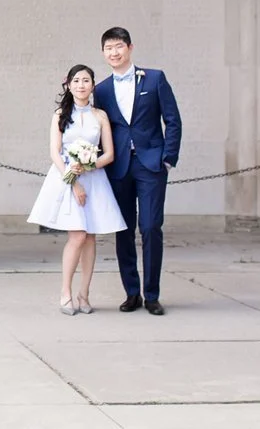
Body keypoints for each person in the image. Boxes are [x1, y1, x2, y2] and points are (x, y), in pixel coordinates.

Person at [92, 27, 183, 316]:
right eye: (109, 48)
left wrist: (168, 158)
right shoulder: (101, 89)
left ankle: (152, 294)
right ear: (103, 53)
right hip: (118, 167)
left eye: (119, 46)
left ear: (130, 47)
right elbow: (98, 128)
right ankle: (131, 292)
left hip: (151, 164)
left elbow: (173, 120)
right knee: (124, 229)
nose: (114, 52)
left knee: (151, 226)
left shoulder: (155, 78)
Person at [27, 64, 126, 314]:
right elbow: (55, 152)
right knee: (78, 235)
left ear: (93, 85)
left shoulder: (100, 116)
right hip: (67, 178)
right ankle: (65, 293)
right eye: (76, 81)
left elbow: (110, 154)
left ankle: (84, 294)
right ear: (68, 84)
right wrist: (74, 180)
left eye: (86, 81)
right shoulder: (60, 114)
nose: (81, 85)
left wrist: (90, 164)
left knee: (91, 236)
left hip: (94, 178)